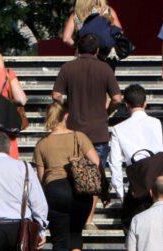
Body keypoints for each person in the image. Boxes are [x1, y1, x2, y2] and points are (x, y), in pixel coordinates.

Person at [31, 102, 100, 251]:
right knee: (75, 231)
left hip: (55, 192)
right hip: (80, 192)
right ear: (65, 116)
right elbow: (96, 162)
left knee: (60, 243)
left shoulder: (42, 144)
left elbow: (41, 178)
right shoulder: (79, 137)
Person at [52, 33, 122, 231]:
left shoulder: (68, 68)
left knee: (72, 174)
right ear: (97, 50)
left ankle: (73, 215)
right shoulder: (105, 68)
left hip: (73, 131)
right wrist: (106, 113)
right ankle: (88, 219)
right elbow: (117, 98)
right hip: (98, 132)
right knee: (94, 176)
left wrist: (67, 109)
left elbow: (56, 95)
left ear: (78, 49)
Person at [109, 84, 163, 231]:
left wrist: (121, 193)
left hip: (138, 188)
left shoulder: (118, 129)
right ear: (145, 103)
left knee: (135, 233)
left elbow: (114, 164)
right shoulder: (162, 125)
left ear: (126, 105)